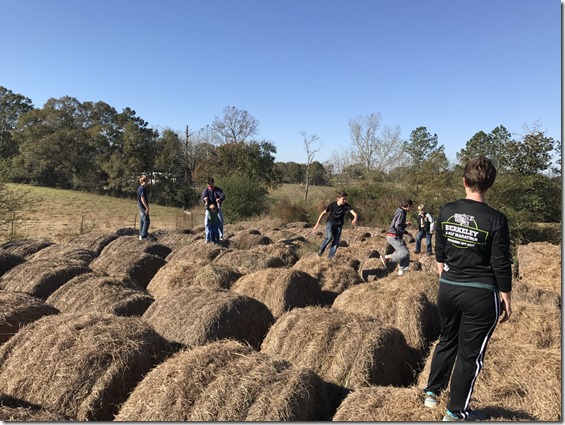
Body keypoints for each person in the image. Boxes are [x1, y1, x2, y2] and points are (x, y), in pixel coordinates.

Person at [422, 156, 513, 421]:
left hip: (448, 289)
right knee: (470, 355)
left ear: (464, 181)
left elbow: (440, 249)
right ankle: (456, 413)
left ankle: (431, 393)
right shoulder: (496, 219)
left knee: (447, 339)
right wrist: (506, 295)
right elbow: (500, 262)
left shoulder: (447, 210)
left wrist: (444, 274)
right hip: (480, 294)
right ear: (490, 184)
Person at [314, 191, 358, 260]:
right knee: (329, 237)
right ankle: (321, 251)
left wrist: (355, 218)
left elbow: (354, 214)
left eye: (346, 199)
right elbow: (323, 213)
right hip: (330, 223)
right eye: (343, 199)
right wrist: (317, 223)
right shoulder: (332, 204)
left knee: (336, 242)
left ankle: (329, 258)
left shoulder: (346, 206)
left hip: (339, 225)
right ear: (338, 198)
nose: (345, 201)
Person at [380, 198, 414, 275]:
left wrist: (406, 225)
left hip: (393, 235)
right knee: (405, 253)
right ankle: (386, 257)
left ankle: (402, 271)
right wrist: (407, 233)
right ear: (408, 206)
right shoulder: (401, 213)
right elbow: (398, 226)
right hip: (393, 236)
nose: (412, 208)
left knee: (405, 253)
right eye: (411, 207)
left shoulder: (401, 212)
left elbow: (399, 225)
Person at [137, 175, 150, 240]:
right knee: (147, 221)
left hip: (140, 206)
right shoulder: (142, 188)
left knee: (142, 221)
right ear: (144, 181)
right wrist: (146, 207)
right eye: (147, 181)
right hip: (142, 207)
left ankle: (141, 235)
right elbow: (143, 199)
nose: (148, 182)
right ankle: (143, 236)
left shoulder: (140, 188)